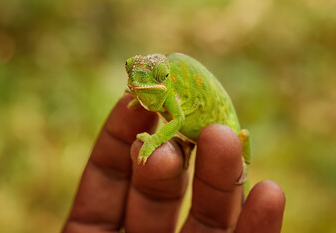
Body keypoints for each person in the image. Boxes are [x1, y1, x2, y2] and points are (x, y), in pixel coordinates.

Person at [63, 94, 286, 233]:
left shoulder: (170, 87)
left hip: (219, 131)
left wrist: (154, 141)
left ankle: (244, 160)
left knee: (228, 144)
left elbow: (178, 118)